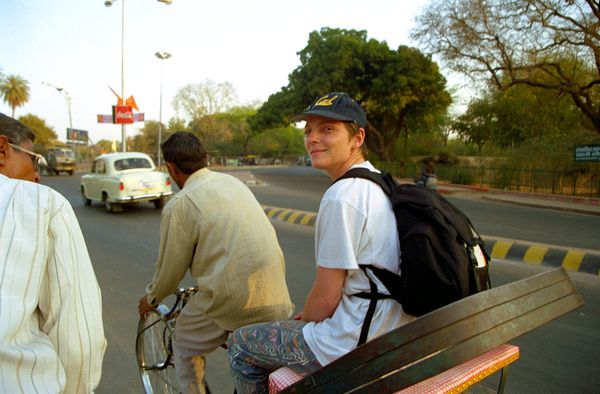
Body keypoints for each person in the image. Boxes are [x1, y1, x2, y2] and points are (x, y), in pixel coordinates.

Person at [227, 92, 416, 393]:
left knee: (240, 344)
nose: (313, 138)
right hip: (394, 327)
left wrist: (307, 322)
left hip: (355, 341)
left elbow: (326, 299)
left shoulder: (342, 197)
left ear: (357, 138)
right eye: (308, 130)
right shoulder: (379, 183)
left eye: (327, 129)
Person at [137, 131, 294, 394]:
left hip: (233, 300)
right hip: (276, 294)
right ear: (204, 158)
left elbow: (169, 271)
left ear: (171, 168)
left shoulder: (181, 203)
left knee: (184, 343)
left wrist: (151, 299)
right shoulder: (233, 183)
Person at [0, 113, 107, 393]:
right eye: (33, 159)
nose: (36, 173)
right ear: (2, 150)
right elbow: (78, 338)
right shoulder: (42, 203)